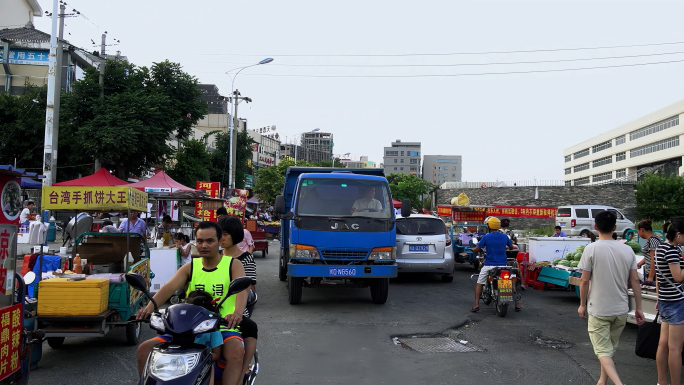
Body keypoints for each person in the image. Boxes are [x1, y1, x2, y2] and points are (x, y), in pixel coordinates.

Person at [136, 221, 249, 385]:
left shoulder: (233, 264)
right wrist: (147, 309)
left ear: (219, 242)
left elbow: (242, 290)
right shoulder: (191, 266)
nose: (204, 245)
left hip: (223, 326)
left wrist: (237, 313)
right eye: (200, 241)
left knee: (235, 352)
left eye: (210, 241)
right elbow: (168, 288)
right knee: (144, 349)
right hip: (185, 329)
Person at [577, 210, 644, 385]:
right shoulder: (628, 249)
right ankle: (602, 380)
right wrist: (639, 308)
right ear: (615, 227)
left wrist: (582, 304)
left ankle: (618, 383)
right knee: (608, 349)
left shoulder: (591, 249)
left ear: (595, 227)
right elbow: (635, 281)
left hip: (599, 309)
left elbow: (584, 281)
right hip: (620, 309)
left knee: (603, 350)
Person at [217, 216, 258, 385]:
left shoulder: (246, 258)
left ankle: (243, 371)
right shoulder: (215, 257)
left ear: (235, 235)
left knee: (250, 326)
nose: (222, 238)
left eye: (226, 234)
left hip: (236, 310)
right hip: (212, 310)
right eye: (220, 234)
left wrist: (237, 311)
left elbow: (247, 287)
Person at [151, 290, 223, 385]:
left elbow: (216, 354)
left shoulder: (213, 331)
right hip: (177, 361)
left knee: (210, 368)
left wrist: (200, 359)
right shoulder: (178, 326)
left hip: (201, 363)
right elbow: (162, 341)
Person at [654, 218, 684, 385]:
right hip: (676, 302)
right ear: (678, 234)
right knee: (675, 348)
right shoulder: (672, 250)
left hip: (665, 300)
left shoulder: (660, 248)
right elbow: (678, 277)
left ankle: (661, 381)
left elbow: (659, 277)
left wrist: (659, 297)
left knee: (663, 345)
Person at [470, 217, 521, 312]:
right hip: (503, 265)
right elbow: (511, 247)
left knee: (479, 283)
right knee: (510, 282)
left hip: (489, 265)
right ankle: (517, 304)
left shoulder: (486, 237)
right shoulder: (504, 236)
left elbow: (477, 249)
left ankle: (476, 304)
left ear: (489, 226)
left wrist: (473, 249)